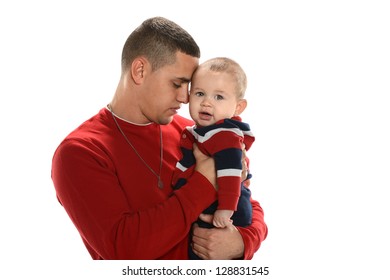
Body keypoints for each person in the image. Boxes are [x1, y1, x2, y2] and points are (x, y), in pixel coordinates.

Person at [51, 16, 267, 260]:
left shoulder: (194, 132)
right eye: (177, 84)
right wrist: (205, 181)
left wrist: (242, 242)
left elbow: (249, 200)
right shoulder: (80, 152)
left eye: (189, 87)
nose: (186, 99)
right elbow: (122, 251)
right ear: (140, 71)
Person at [172, 57, 256, 259]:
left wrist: (226, 209)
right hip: (214, 202)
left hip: (226, 205)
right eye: (200, 93)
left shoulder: (225, 134)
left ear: (238, 107)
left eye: (219, 97)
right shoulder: (202, 131)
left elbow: (231, 173)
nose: (207, 102)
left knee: (201, 251)